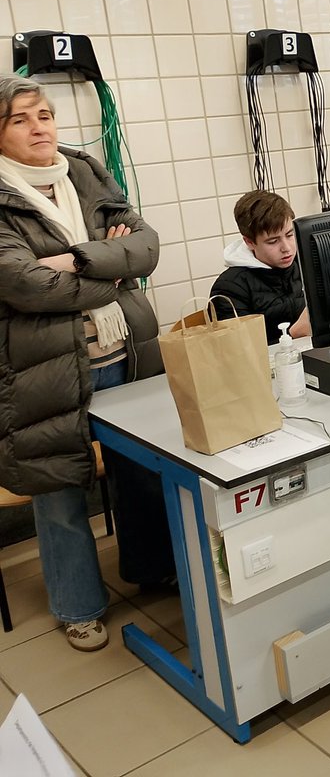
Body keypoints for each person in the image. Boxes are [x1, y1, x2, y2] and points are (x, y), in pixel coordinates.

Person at [0, 75, 165, 651]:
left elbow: (145, 242)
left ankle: (152, 568)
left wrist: (74, 260)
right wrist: (110, 272)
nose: (39, 126)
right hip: (42, 366)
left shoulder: (84, 170)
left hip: (124, 350)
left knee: (144, 471)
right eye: (20, 119)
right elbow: (22, 283)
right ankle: (78, 606)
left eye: (43, 113)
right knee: (60, 490)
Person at [210, 190, 307, 343]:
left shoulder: (305, 265)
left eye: (290, 234)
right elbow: (238, 351)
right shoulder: (230, 288)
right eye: (273, 241)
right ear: (249, 242)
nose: (286, 247)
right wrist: (293, 334)